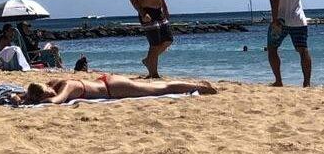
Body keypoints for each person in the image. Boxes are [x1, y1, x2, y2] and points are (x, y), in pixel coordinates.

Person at [17, 74, 216, 104]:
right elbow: (28, 93)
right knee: (154, 86)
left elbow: (57, 100)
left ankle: (198, 87)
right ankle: (196, 85)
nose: (50, 93)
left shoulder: (67, 87)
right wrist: (24, 98)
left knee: (159, 89)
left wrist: (43, 100)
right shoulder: (53, 83)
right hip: (107, 81)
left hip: (113, 88)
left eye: (46, 93)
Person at [129, 0, 173, 78]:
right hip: (146, 11)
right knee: (154, 44)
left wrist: (165, 8)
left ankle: (149, 60)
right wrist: (142, 13)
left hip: (159, 11)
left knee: (168, 40)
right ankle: (153, 73)